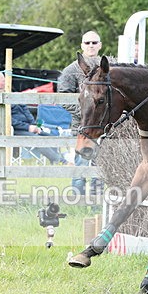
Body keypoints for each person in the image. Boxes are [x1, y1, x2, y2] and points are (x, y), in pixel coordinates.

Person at [58, 31, 104, 194]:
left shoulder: (107, 66)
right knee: (82, 164)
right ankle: (78, 200)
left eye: (94, 42)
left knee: (102, 166)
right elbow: (63, 97)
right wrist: (87, 112)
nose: (91, 46)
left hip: (104, 127)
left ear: (100, 45)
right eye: (87, 43)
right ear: (81, 45)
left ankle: (97, 200)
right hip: (82, 127)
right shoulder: (71, 70)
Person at [0, 70, 65, 165]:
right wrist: (27, 127)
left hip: (27, 126)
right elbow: (6, 120)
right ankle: (61, 161)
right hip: (13, 129)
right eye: (2, 80)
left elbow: (25, 110)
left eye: (5, 80)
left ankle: (56, 162)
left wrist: (33, 125)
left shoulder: (11, 93)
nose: (5, 82)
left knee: (51, 137)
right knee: (37, 139)